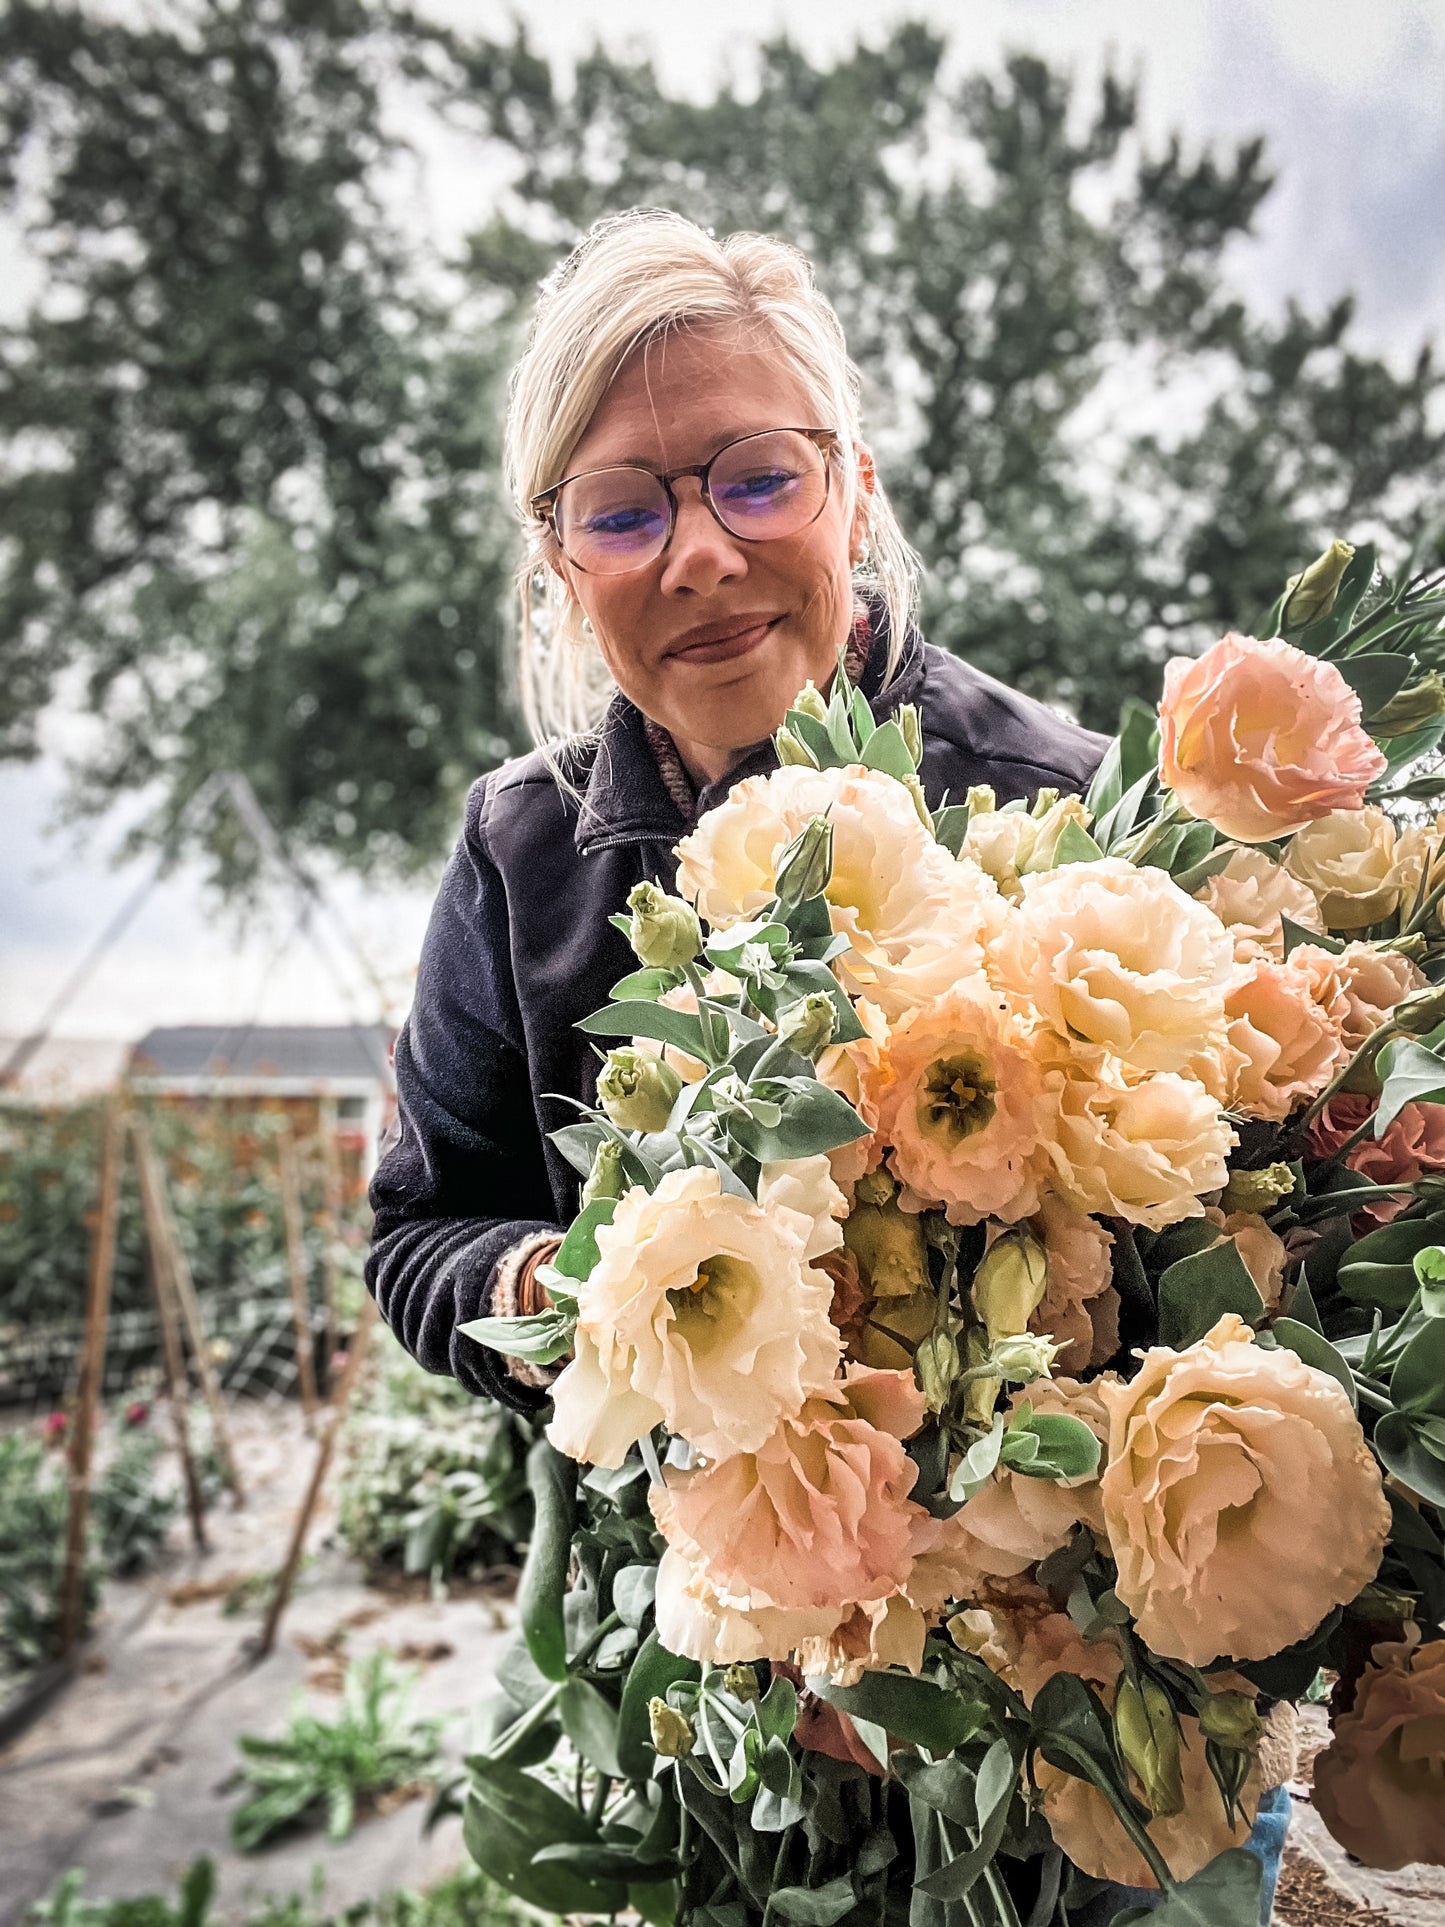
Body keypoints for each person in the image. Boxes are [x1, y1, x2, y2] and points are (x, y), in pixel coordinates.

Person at [364, 208, 1284, 1921]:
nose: (697, 554)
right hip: (716, 1723)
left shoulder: (1069, 810)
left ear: (853, 486)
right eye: (623, 510)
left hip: (1059, 1716)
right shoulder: (523, 858)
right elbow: (417, 1235)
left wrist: (958, 1554)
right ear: (561, 564)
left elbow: (1235, 1236)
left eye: (754, 479)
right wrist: (599, 1304)